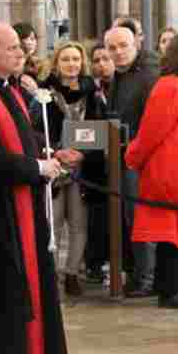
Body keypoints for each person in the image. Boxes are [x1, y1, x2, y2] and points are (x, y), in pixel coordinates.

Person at [0, 21, 78, 354]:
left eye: (20, 47)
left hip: (23, 204)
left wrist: (48, 155)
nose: (21, 53)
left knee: (29, 283)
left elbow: (22, 141)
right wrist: (34, 168)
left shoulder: (12, 90)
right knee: (1, 289)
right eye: (12, 48)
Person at [126, 31, 178, 309]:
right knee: (169, 233)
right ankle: (170, 291)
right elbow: (151, 131)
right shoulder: (170, 86)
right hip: (169, 173)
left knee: (173, 232)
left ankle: (170, 288)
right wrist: (133, 157)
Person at [39, 42, 108, 296]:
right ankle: (51, 273)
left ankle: (71, 273)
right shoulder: (44, 92)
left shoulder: (92, 92)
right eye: (66, 59)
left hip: (82, 167)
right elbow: (37, 128)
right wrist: (57, 151)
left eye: (76, 59)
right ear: (57, 63)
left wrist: (82, 153)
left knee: (79, 223)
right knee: (53, 222)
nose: (71, 64)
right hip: (55, 164)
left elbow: (100, 126)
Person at [104, 25, 160, 297]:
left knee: (141, 217)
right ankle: (140, 274)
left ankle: (147, 278)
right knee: (131, 217)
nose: (118, 52)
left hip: (142, 158)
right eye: (112, 48)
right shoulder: (121, 74)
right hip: (125, 155)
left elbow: (153, 120)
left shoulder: (148, 74)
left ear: (136, 43)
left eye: (123, 45)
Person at [82, 43, 116, 281]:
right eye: (96, 59)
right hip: (94, 162)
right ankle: (94, 262)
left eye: (106, 58)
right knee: (96, 215)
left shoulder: (120, 88)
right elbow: (81, 130)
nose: (101, 64)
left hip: (117, 160)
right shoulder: (88, 92)